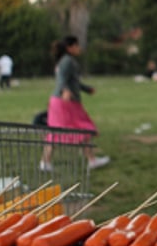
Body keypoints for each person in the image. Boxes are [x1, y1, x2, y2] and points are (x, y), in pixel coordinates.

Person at [40, 36, 110, 172]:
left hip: (63, 103)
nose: (79, 49)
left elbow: (73, 81)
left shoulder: (66, 61)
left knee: (69, 131)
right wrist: (65, 90)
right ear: (70, 47)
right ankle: (91, 160)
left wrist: (86, 89)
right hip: (64, 103)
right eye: (77, 46)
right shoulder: (67, 61)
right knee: (81, 129)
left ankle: (91, 160)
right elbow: (62, 79)